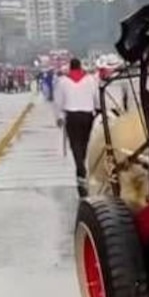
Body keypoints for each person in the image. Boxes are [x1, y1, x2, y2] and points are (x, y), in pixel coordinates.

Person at [54, 58, 100, 197]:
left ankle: (80, 167)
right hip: (87, 116)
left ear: (70, 68)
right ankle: (83, 165)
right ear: (80, 67)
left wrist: (59, 118)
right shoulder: (91, 79)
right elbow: (96, 97)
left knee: (75, 145)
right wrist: (98, 110)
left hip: (72, 116)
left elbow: (58, 101)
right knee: (86, 143)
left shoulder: (62, 81)